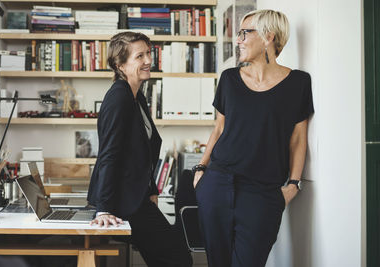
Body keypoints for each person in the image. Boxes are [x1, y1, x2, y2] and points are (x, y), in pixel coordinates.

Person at [192, 9, 314, 267]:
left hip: (263, 192)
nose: (239, 40)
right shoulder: (229, 79)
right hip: (217, 184)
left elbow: (298, 139)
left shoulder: (299, 83)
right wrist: (201, 170)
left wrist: (293, 185)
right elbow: (219, 129)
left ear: (268, 36)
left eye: (244, 33)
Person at [87, 32, 192, 267]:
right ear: (120, 64)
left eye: (148, 53)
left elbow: (141, 151)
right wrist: (103, 209)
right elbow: (109, 154)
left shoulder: (137, 96)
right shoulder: (119, 97)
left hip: (137, 197)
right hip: (122, 202)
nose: (147, 61)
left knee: (169, 257)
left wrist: (151, 188)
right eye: (139, 56)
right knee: (177, 258)